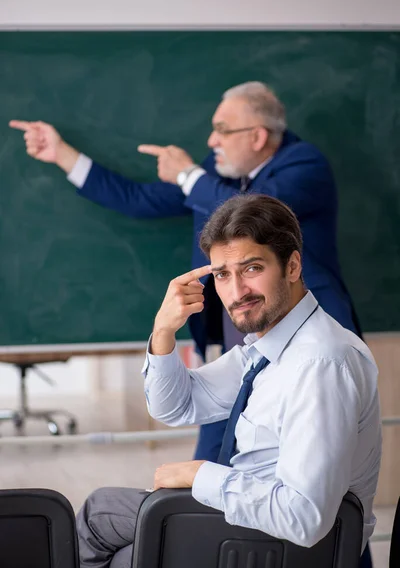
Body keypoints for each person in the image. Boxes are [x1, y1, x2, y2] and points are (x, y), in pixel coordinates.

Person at [9, 82, 361, 465]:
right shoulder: (216, 171)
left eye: (223, 129)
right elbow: (139, 200)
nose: (212, 140)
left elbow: (254, 214)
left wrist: (189, 176)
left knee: (299, 454)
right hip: (241, 334)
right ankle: (204, 516)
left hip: (307, 330)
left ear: (258, 136)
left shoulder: (304, 163)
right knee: (212, 450)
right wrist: (62, 155)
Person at [76, 194, 381, 568]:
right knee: (125, 551)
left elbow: (304, 516)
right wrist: (163, 331)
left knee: (99, 516)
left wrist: (201, 474)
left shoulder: (319, 364)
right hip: (252, 525)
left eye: (251, 268)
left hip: (282, 546)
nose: (236, 293)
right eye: (222, 274)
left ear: (293, 266)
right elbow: (175, 405)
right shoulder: (268, 348)